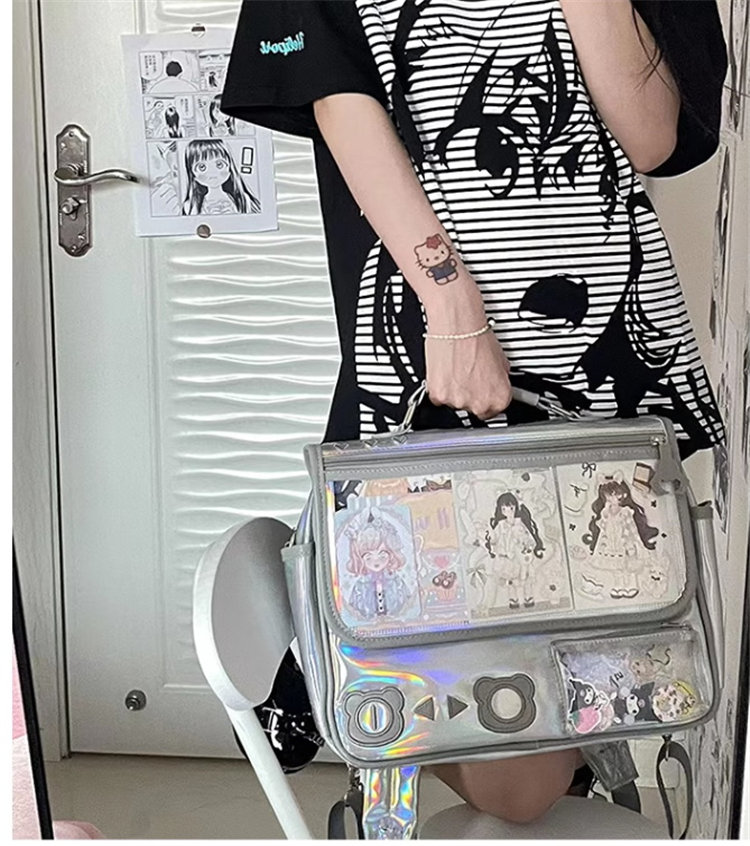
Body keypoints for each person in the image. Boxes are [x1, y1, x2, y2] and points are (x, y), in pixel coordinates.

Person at [220, 0, 728, 824]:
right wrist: (453, 308)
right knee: (515, 782)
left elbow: (650, 137)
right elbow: (336, 94)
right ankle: (351, 690)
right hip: (435, 378)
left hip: (593, 395)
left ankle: (363, 686)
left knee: (570, 722)